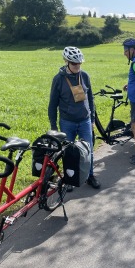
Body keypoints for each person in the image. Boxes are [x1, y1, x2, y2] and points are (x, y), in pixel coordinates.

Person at [48, 46, 101, 189]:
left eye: (79, 63)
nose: (77, 66)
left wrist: (92, 119)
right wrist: (53, 126)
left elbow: (90, 98)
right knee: (68, 153)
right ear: (66, 62)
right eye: (74, 63)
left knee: (88, 150)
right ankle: (70, 180)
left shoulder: (84, 76)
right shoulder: (58, 79)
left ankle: (90, 176)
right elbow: (52, 104)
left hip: (84, 120)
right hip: (67, 122)